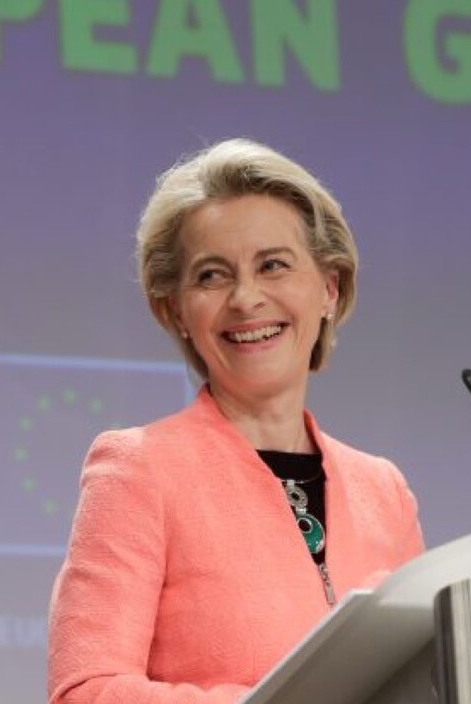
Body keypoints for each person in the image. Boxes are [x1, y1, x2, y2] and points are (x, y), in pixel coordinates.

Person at [47, 138, 425, 704]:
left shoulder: (384, 492)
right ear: (176, 310)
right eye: (212, 276)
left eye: (273, 265)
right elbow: (85, 692)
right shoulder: (138, 471)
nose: (247, 298)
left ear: (329, 287)